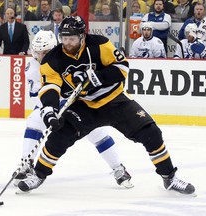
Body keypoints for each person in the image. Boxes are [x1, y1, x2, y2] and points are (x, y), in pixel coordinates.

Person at [17, 16, 195, 195]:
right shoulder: (52, 60)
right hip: (83, 104)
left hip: (114, 100)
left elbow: (123, 67)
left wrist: (97, 78)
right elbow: (50, 87)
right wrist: (49, 110)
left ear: (82, 36)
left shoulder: (99, 44)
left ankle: (169, 178)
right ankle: (38, 174)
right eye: (64, 38)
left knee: (152, 133)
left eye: (71, 39)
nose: (67, 43)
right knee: (58, 136)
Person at [14, 30, 133, 188]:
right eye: (38, 52)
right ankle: (26, 165)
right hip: (53, 106)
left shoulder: (66, 58)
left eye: (45, 52)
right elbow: (40, 95)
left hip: (81, 104)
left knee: (97, 133)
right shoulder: (34, 68)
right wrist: (51, 110)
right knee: (34, 122)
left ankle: (118, 168)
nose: (41, 56)